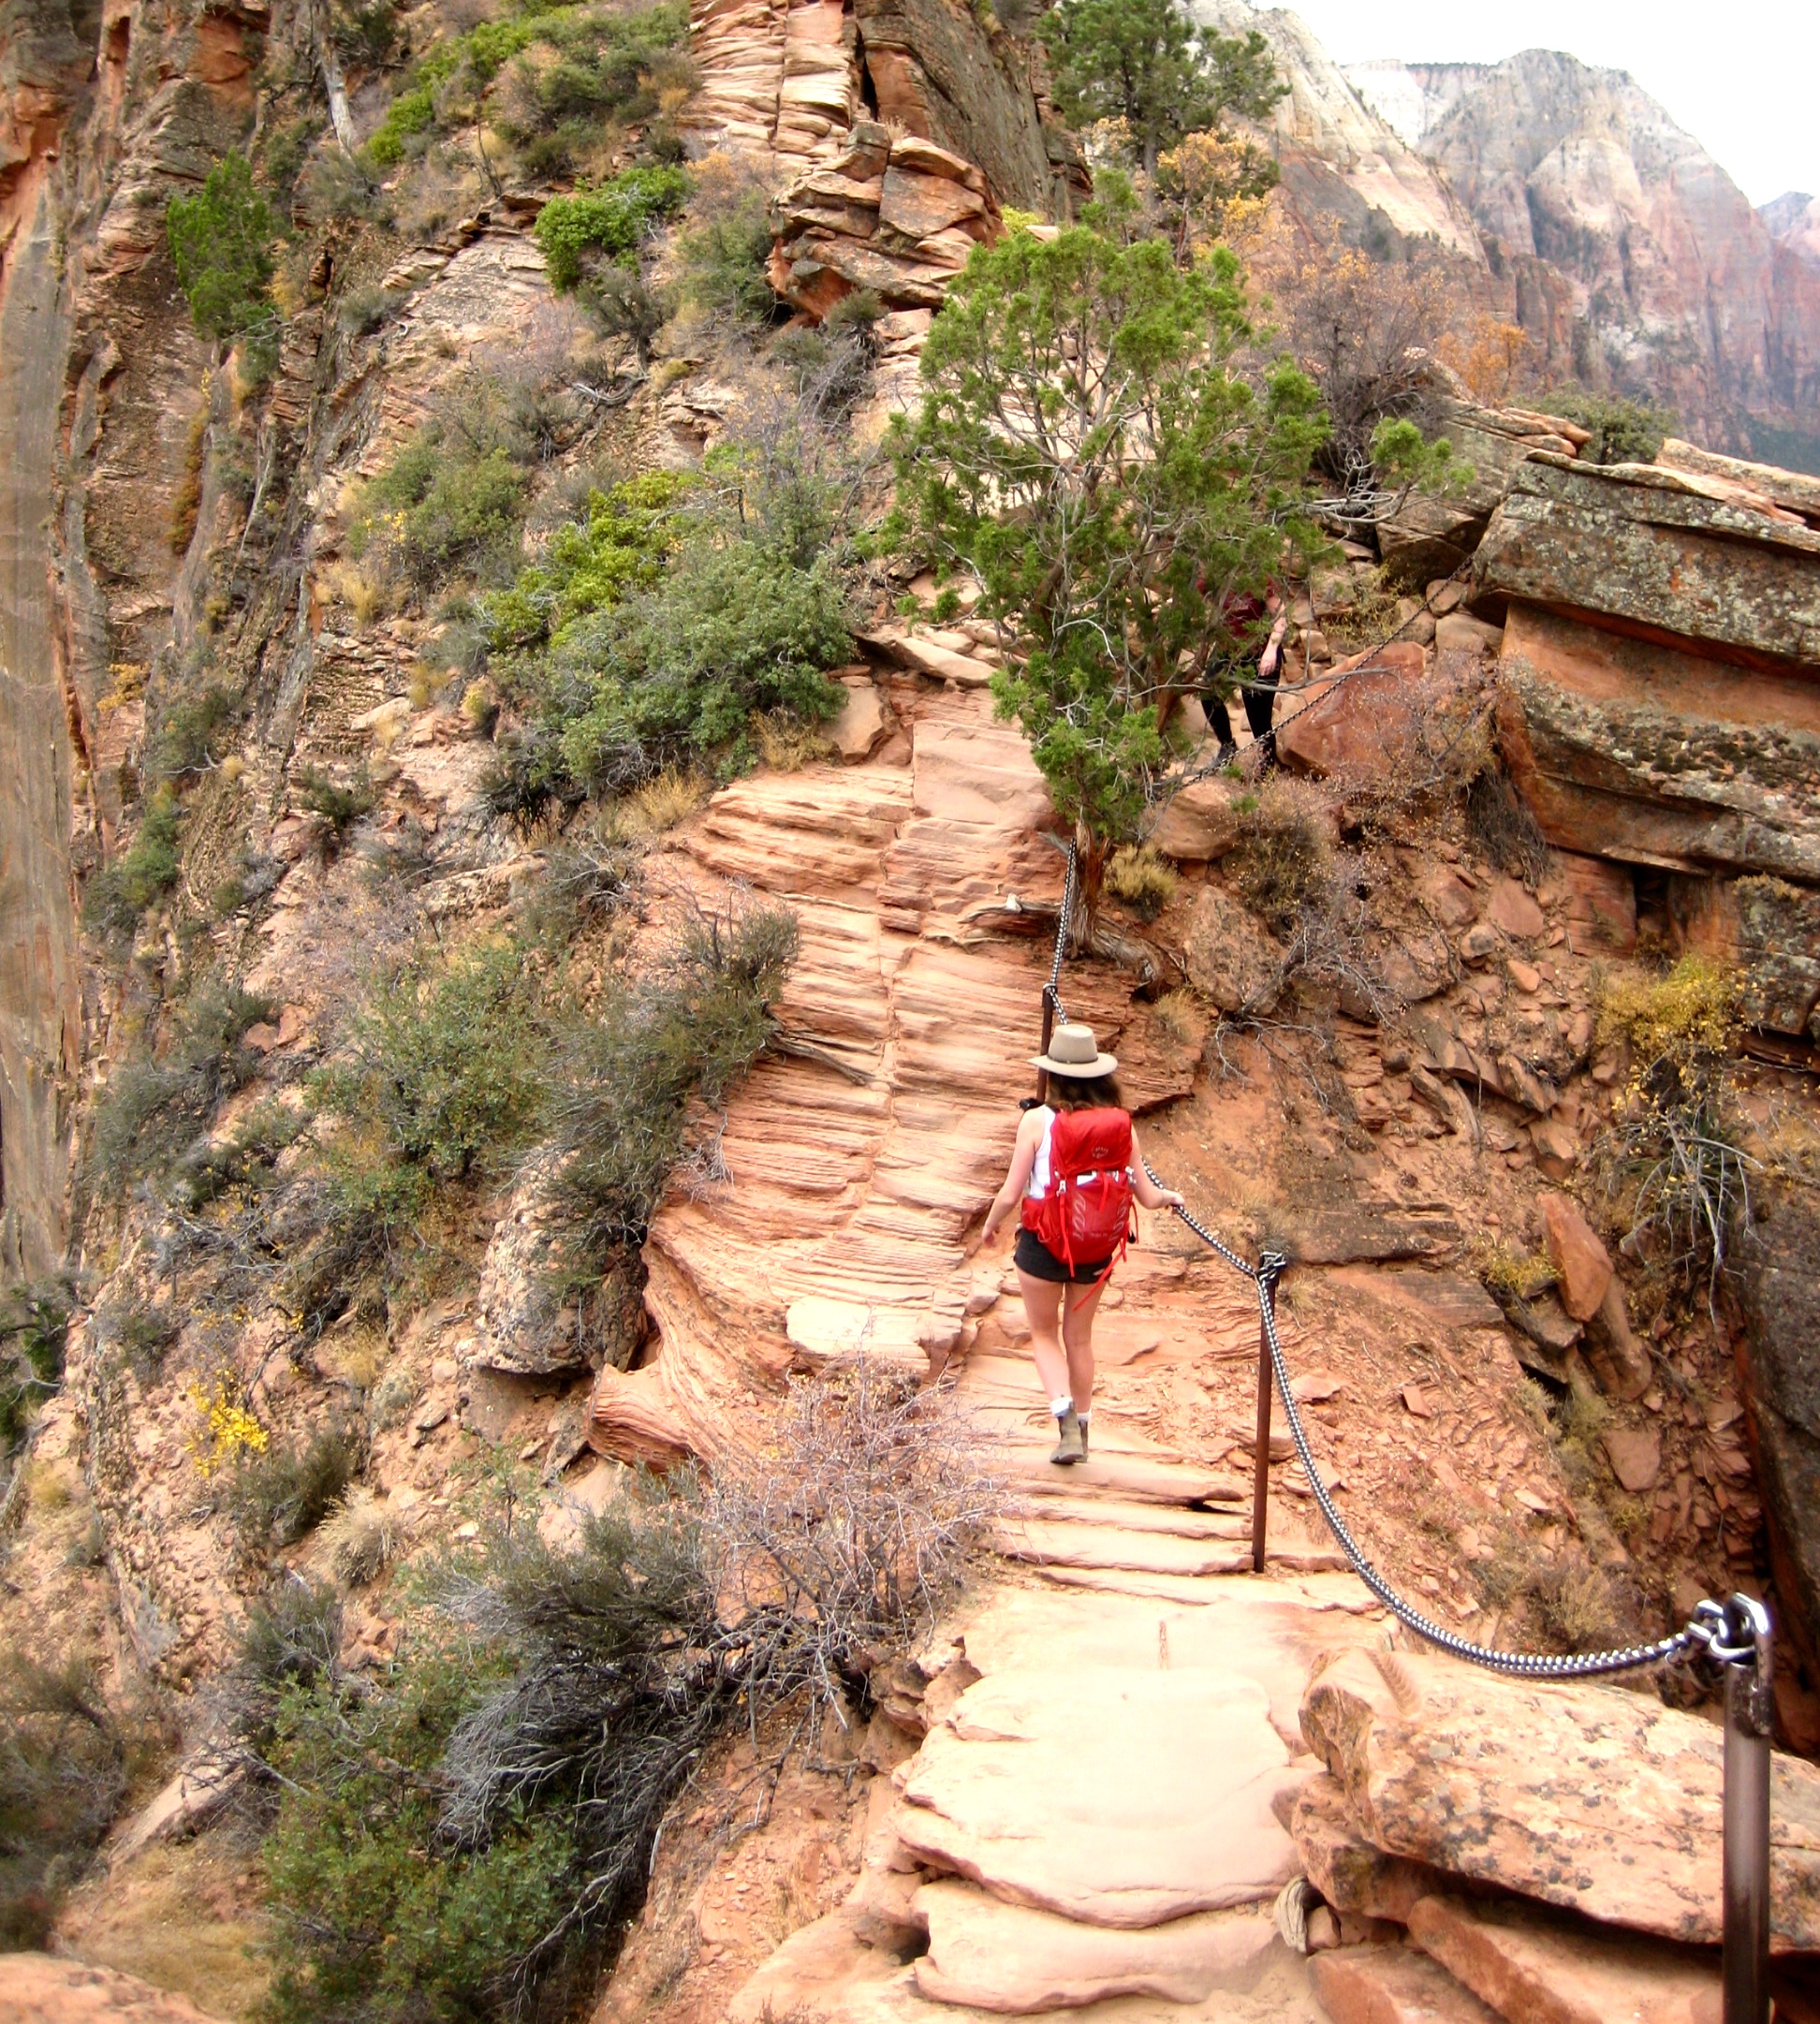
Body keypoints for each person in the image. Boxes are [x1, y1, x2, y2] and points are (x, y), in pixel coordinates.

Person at [978, 1023, 1184, 1464]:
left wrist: (990, 1226)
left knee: (1043, 1333)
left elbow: (1012, 1193)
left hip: (1043, 1245)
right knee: (1080, 1339)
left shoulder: (1036, 1121)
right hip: (1095, 1248)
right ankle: (1086, 1430)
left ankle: (1065, 1425)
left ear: (1053, 1075)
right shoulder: (1121, 1128)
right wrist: (1170, 1198)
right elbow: (1147, 1196)